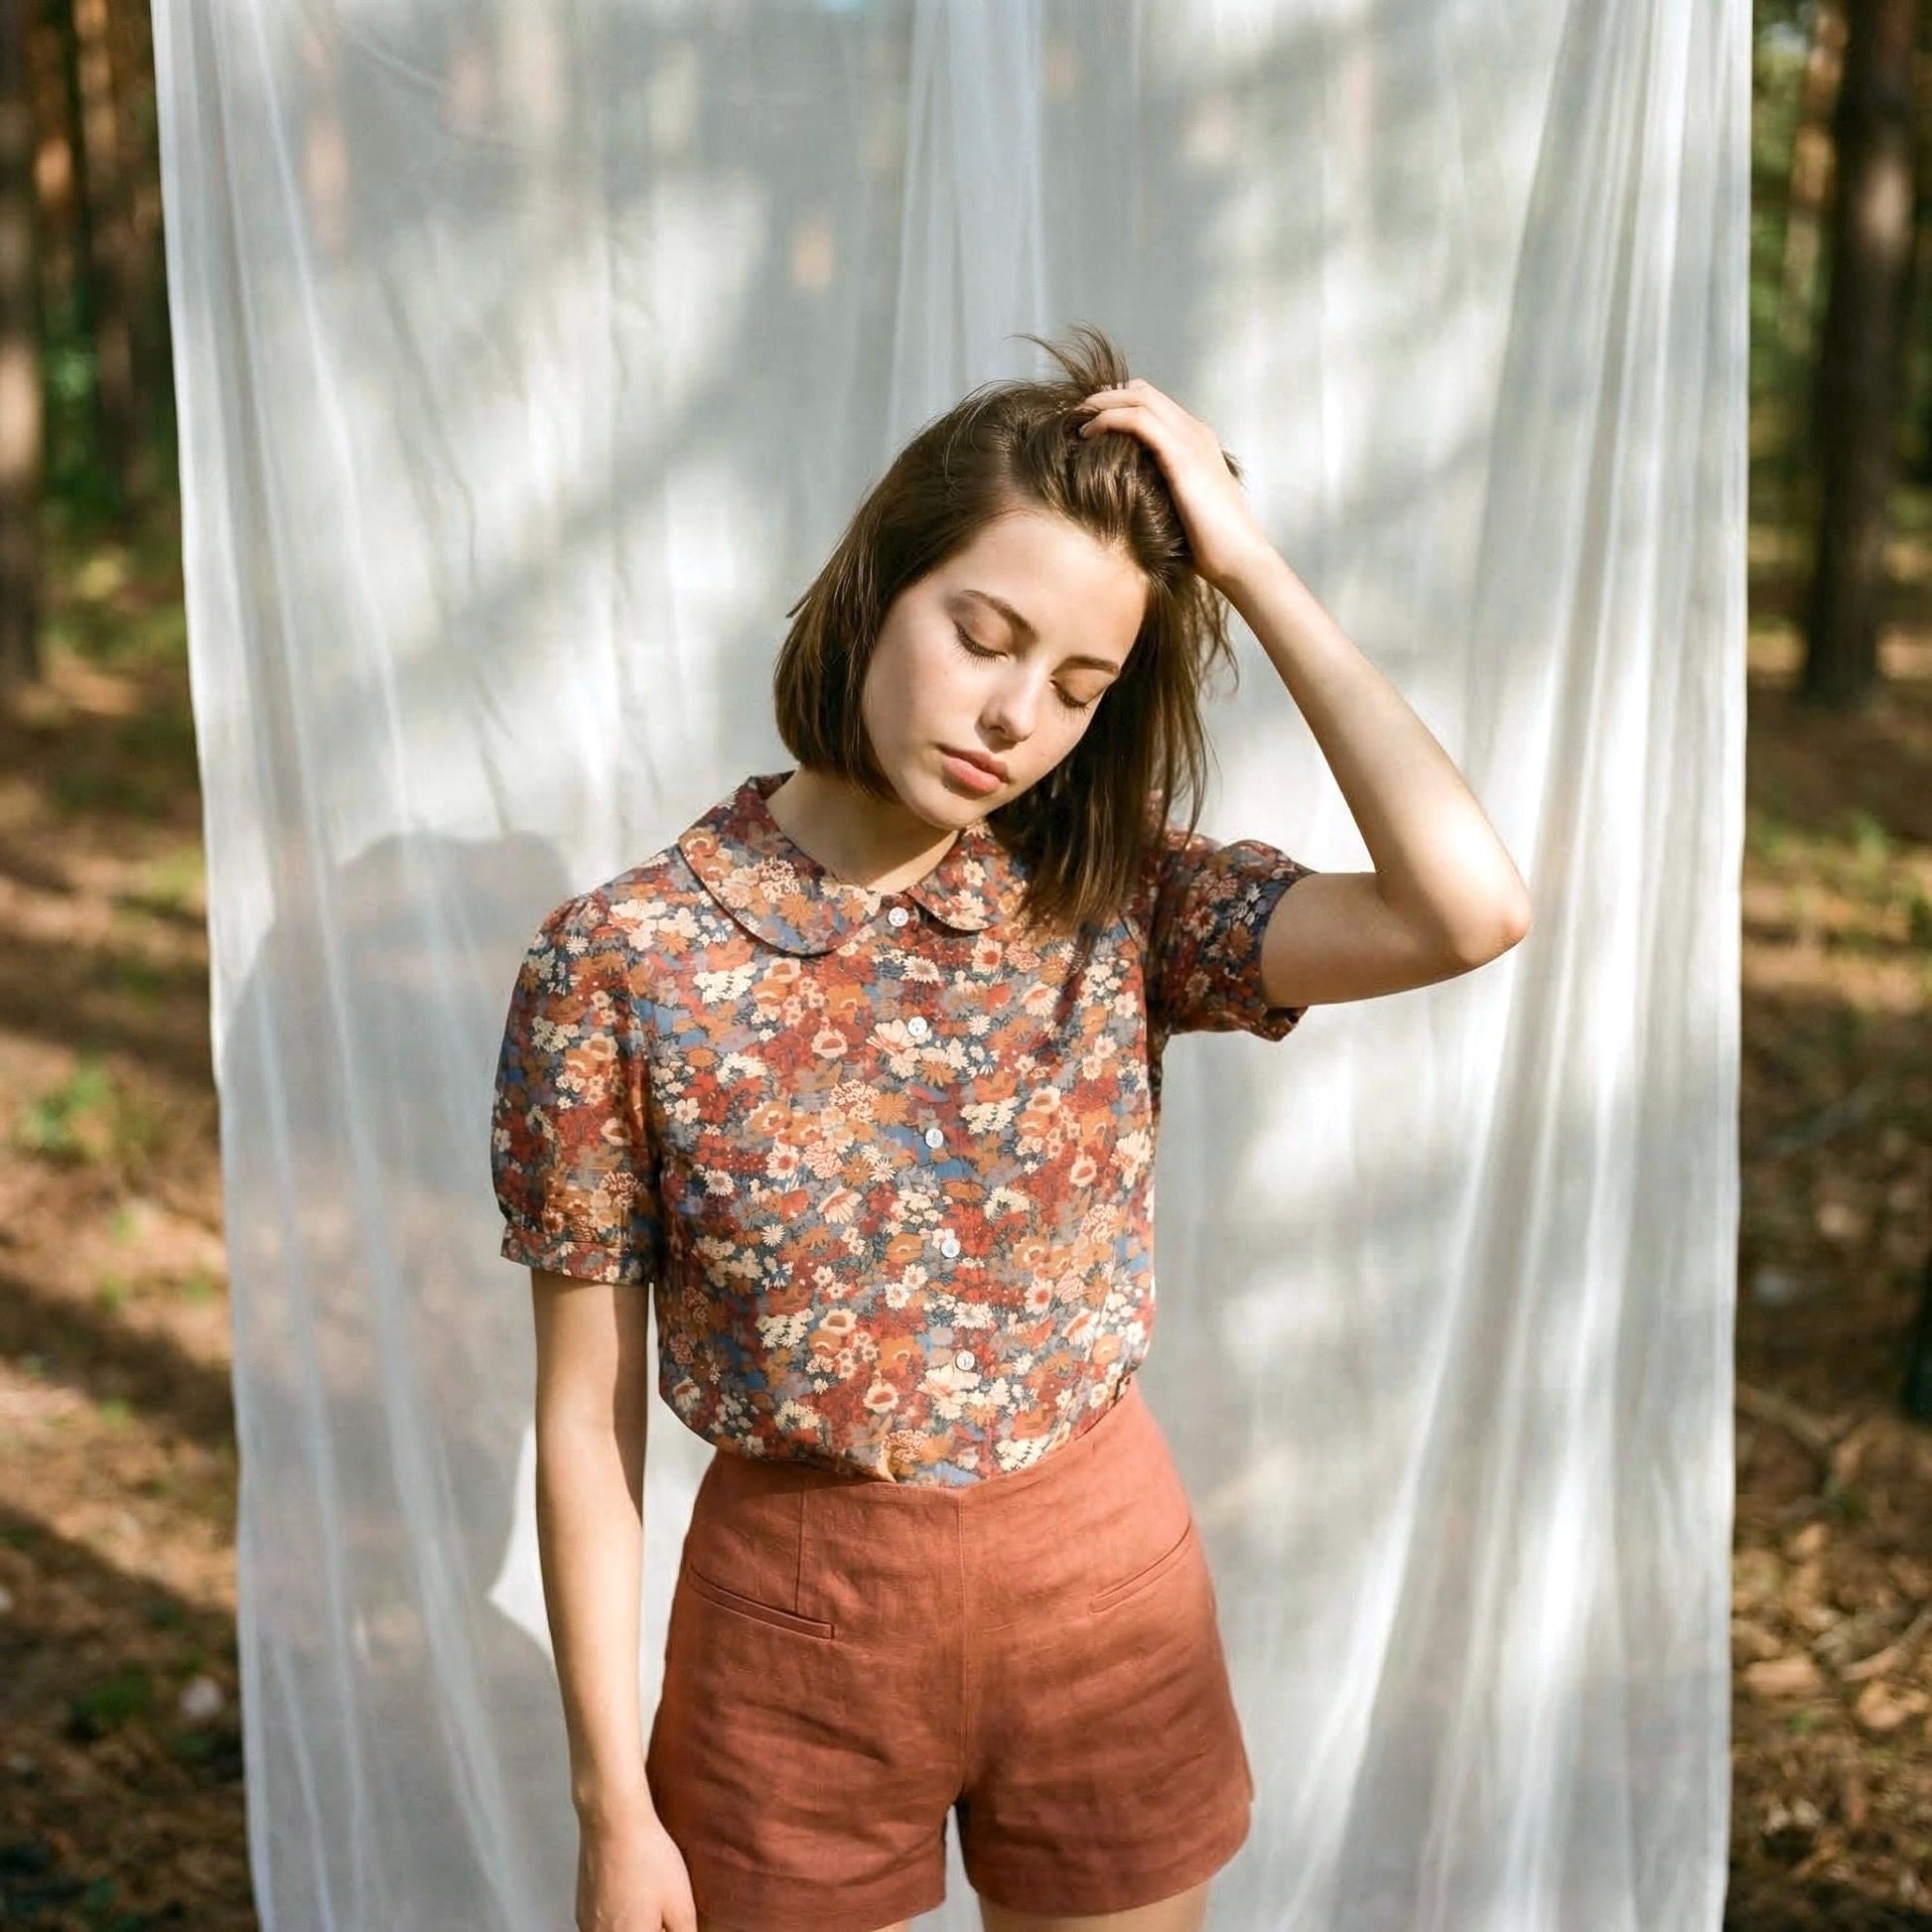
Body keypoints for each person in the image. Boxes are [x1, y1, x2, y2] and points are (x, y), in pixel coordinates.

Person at [490, 323, 1532, 1932]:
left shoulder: (1110, 895)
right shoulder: (623, 963)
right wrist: (608, 1803)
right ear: (875, 586)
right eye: (982, 635)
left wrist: (1246, 565)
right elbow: (584, 1420)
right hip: (794, 1625)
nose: (1010, 716)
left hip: (1103, 1589)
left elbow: (1466, 908)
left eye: (1075, 685)